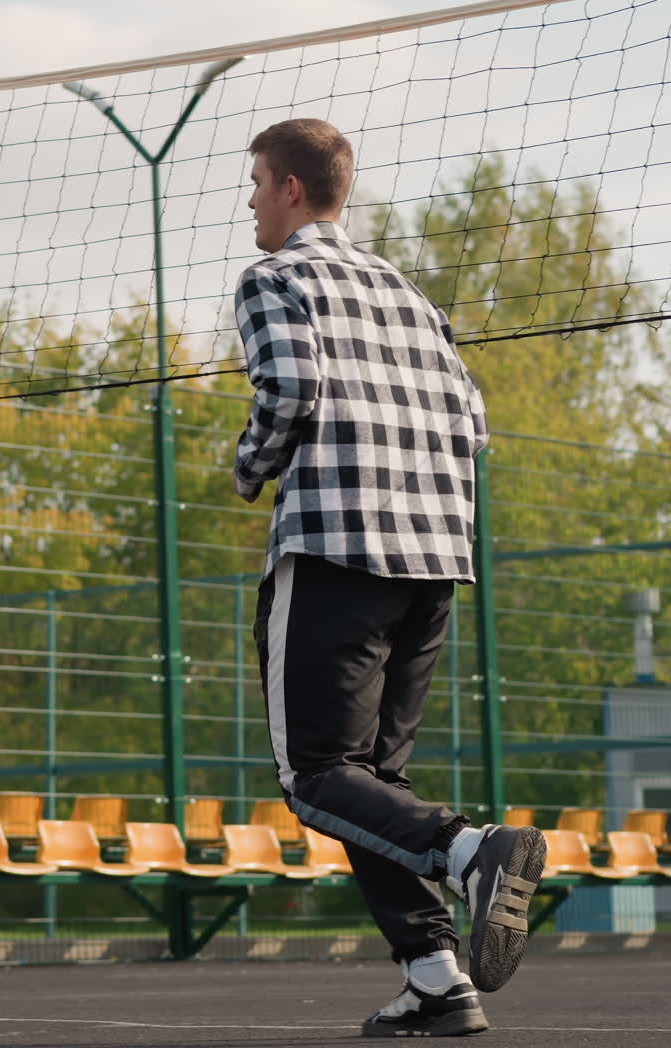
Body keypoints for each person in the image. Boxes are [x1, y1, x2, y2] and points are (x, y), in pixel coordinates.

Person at [233, 118, 546, 1038]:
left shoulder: (274, 278)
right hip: (438, 558)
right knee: (375, 786)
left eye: (255, 181)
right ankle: (436, 977)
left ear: (292, 188)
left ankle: (473, 849)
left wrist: (253, 463)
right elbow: (473, 420)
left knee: (316, 777)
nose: (249, 199)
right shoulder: (406, 289)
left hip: (339, 547)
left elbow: (288, 389)